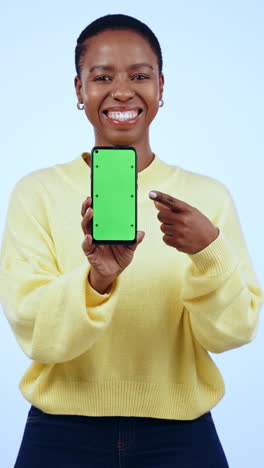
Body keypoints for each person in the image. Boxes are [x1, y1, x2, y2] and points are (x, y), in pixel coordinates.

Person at [0, 13, 263, 468]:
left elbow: (232, 333)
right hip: (61, 434)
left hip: (182, 436)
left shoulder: (207, 198)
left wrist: (209, 253)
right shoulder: (36, 192)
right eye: (102, 77)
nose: (122, 91)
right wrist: (98, 279)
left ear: (162, 86)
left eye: (140, 76)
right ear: (79, 91)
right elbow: (36, 334)